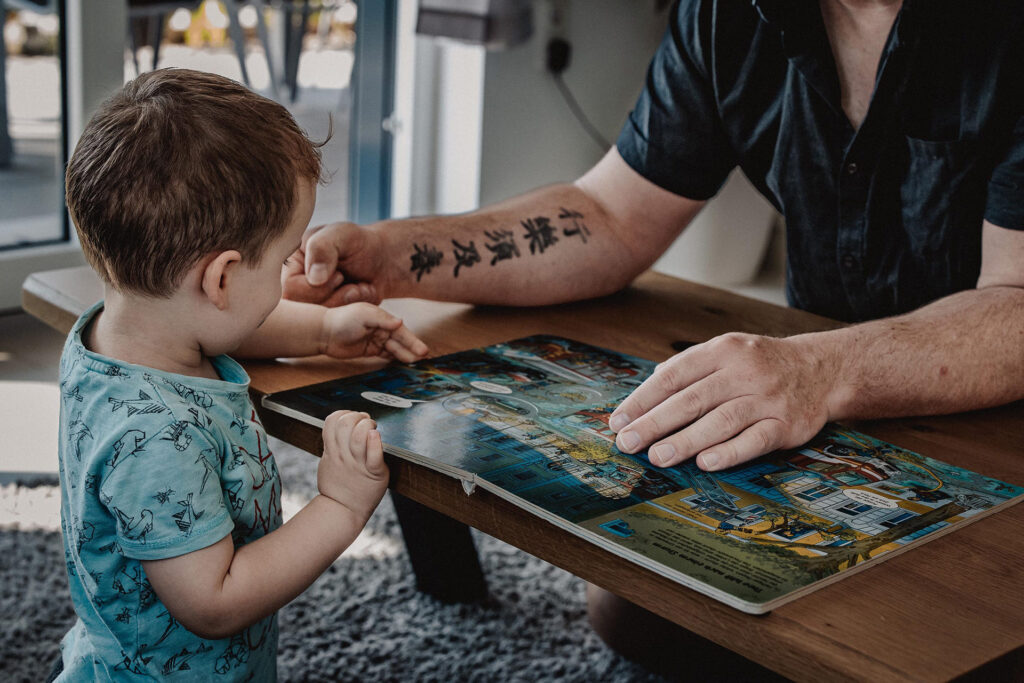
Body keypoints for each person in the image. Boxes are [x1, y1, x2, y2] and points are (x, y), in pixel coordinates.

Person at [280, 0, 1024, 674]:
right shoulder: (731, 16)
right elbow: (610, 216)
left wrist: (816, 369)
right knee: (639, 614)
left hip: (992, 417)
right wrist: (394, 257)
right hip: (836, 408)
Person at [53, 68, 429, 680]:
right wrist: (338, 504)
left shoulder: (123, 330)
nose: (290, 271)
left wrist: (322, 331)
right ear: (222, 278)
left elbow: (218, 324)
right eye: (284, 260)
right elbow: (215, 601)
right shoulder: (152, 440)